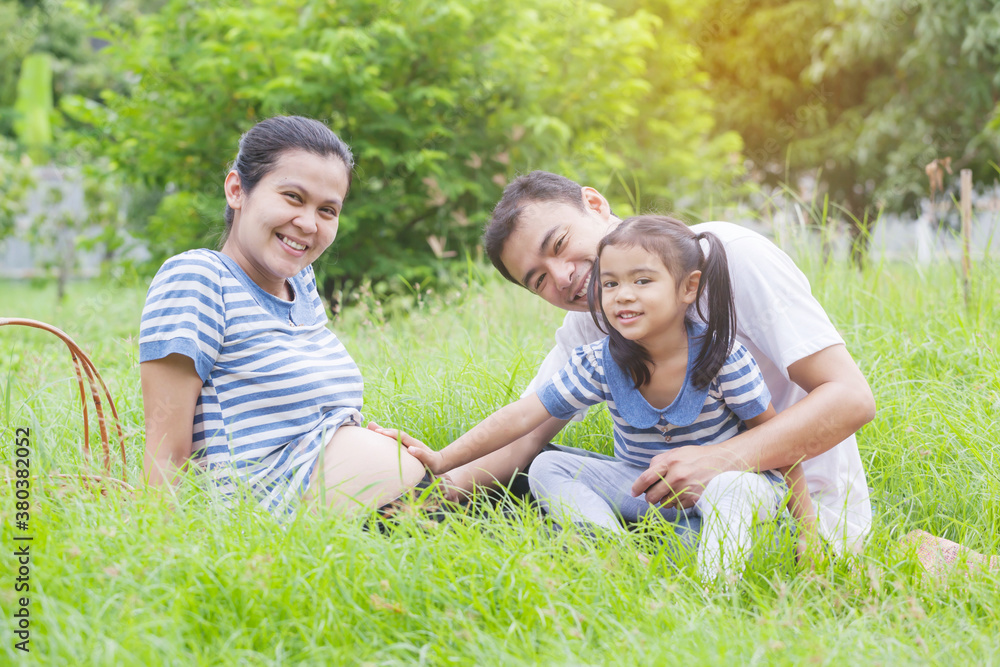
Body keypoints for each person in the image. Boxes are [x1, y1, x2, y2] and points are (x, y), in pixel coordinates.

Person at [440, 171, 875, 555]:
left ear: (594, 204)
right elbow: (524, 433)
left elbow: (851, 399)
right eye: (538, 280)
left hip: (790, 513)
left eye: (559, 244)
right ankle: (619, 560)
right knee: (531, 479)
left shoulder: (730, 256)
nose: (561, 277)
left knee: (726, 500)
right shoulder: (597, 319)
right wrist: (426, 492)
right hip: (662, 512)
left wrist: (721, 459)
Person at [394, 216, 818, 580]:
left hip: (730, 493)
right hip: (647, 495)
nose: (623, 294)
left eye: (643, 280)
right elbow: (522, 417)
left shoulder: (722, 357)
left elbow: (781, 447)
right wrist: (442, 459)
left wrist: (809, 532)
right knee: (548, 464)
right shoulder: (597, 362)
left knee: (731, 487)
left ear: (688, 288)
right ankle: (619, 557)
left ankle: (716, 590)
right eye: (611, 282)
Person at [139, 115, 425, 516]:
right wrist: (163, 555)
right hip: (290, 535)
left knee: (525, 466)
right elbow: (164, 454)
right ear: (237, 190)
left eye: (328, 210)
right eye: (293, 197)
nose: (309, 223)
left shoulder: (300, 284)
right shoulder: (198, 278)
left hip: (386, 515)